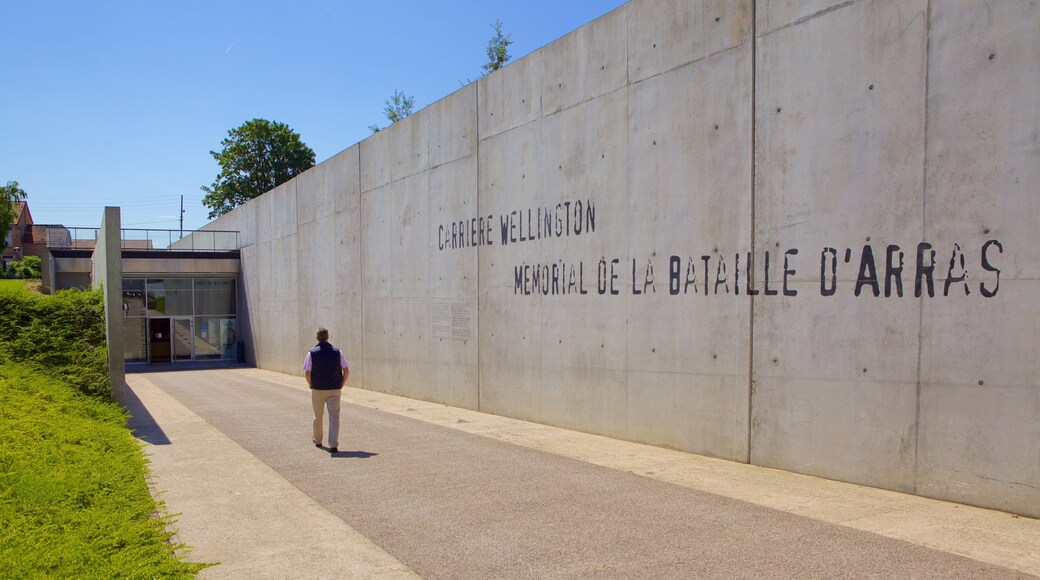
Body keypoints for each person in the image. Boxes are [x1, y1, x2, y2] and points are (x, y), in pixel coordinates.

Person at [302, 327, 349, 453]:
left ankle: (318, 440)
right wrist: (341, 384)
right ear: (328, 337)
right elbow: (346, 370)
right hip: (334, 388)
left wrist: (311, 385)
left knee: (318, 415)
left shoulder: (311, 353)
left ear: (317, 337)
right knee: (334, 416)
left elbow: (307, 373)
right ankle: (333, 444)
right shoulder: (338, 352)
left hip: (318, 389)